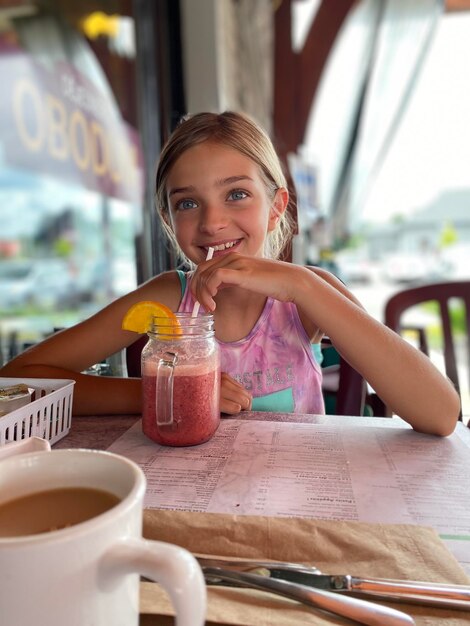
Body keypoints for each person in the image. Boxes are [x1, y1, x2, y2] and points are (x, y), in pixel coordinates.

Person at [0, 111, 460, 436]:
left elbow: (440, 414)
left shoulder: (304, 295)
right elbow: (19, 379)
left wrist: (299, 282)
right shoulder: (168, 298)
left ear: (277, 207)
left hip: (300, 511)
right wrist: (164, 390)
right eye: (187, 203)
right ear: (169, 220)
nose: (211, 222)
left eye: (236, 194)